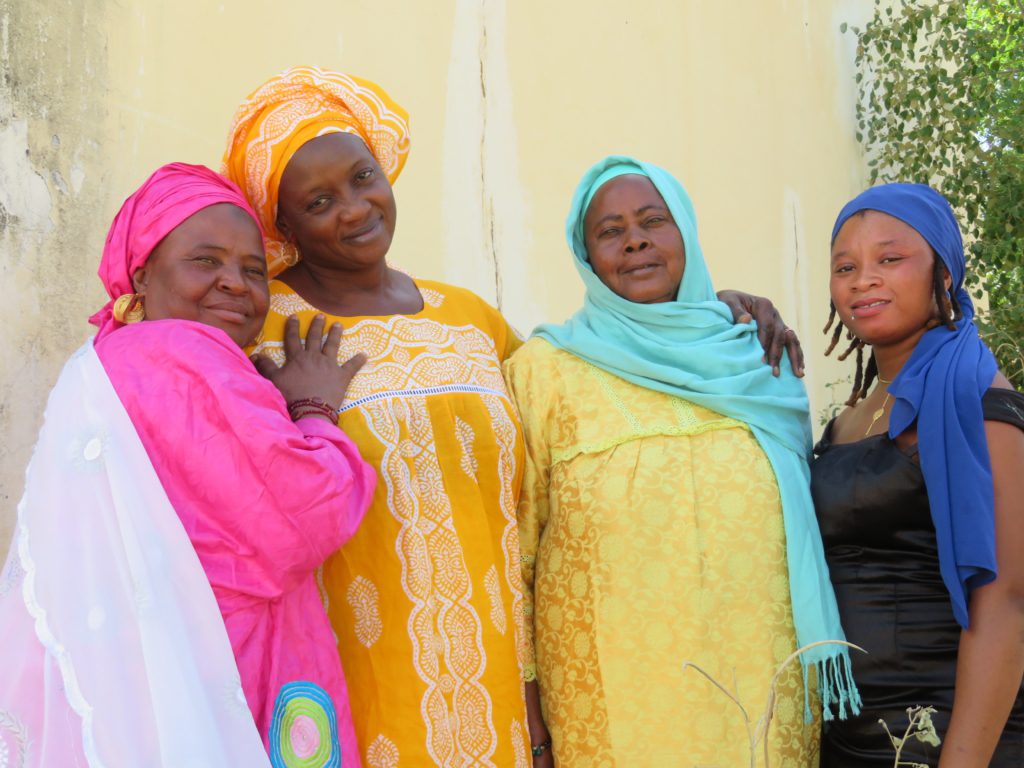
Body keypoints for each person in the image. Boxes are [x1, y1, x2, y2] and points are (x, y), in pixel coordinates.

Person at [222, 67, 807, 766]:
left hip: (499, 677)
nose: (353, 208)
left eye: (362, 176)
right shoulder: (266, 333)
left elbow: (598, 367)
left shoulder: (469, 318)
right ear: (283, 224)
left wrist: (707, 316)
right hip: (355, 675)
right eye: (319, 201)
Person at [0, 163, 376, 768]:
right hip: (222, 677)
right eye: (205, 262)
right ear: (142, 275)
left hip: (138, 684)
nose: (235, 282)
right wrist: (311, 410)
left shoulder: (102, 364)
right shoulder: (187, 355)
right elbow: (307, 509)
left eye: (254, 271)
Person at [503, 155, 857, 767]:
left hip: (760, 688)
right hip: (611, 703)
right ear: (586, 256)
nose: (635, 239)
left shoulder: (755, 357)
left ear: (685, 233)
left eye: (652, 220)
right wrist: (531, 722)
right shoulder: (543, 372)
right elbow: (517, 557)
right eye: (609, 231)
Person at [812, 183, 1024, 766]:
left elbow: (1006, 601)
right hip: (848, 737)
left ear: (944, 273)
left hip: (950, 738)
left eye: (891, 258)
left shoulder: (978, 401)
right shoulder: (851, 416)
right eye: (845, 267)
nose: (863, 280)